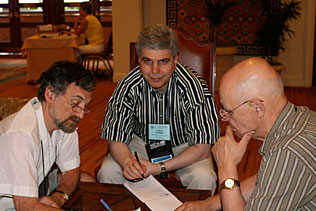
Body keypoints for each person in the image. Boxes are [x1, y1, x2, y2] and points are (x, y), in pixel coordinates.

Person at [176, 58, 316, 210]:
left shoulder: (287, 151)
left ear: (257, 108)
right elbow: (264, 181)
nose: (225, 119)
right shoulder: (298, 118)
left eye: (228, 111)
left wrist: (226, 169)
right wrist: (207, 205)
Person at [97, 24, 220, 192]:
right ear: (139, 59)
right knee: (108, 171)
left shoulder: (194, 86)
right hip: (140, 144)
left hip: (186, 146)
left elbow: (203, 147)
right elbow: (115, 137)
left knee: (203, 177)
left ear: (175, 59)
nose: (155, 71)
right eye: (148, 61)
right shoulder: (127, 85)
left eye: (163, 61)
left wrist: (160, 167)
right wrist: (127, 162)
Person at [0, 61, 96, 210]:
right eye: (76, 103)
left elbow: (71, 171)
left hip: (36, 190)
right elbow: (26, 207)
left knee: (86, 180)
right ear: (50, 95)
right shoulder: (20, 136)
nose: (81, 114)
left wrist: (59, 197)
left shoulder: (65, 122)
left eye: (85, 106)